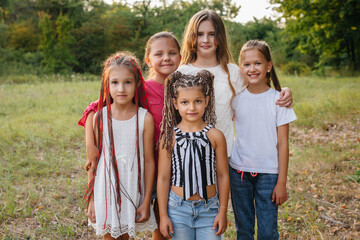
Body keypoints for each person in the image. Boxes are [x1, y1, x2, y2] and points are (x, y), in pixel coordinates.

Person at [78, 31, 181, 240]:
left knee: (166, 222)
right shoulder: (141, 89)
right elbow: (94, 108)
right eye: (115, 83)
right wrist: (90, 142)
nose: (121, 88)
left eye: (172, 53)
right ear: (148, 59)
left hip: (166, 167)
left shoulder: (184, 86)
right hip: (116, 180)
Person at [177, 9, 293, 158]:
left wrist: (285, 90)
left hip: (225, 154)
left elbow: (259, 88)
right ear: (192, 37)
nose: (205, 40)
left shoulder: (233, 73)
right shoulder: (182, 73)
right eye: (200, 34)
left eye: (212, 34)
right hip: (190, 153)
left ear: (220, 38)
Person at [84, 51, 157, 239]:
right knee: (109, 236)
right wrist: (91, 199)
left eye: (128, 82)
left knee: (125, 236)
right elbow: (95, 161)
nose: (121, 89)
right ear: (106, 85)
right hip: (106, 187)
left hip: (132, 187)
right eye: (114, 82)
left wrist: (146, 199)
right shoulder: (100, 117)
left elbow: (149, 161)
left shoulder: (144, 118)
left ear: (137, 83)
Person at [229, 40, 297, 240]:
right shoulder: (235, 98)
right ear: (240, 68)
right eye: (246, 64)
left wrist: (281, 182)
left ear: (269, 66)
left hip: (269, 175)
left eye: (257, 63)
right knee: (244, 231)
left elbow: (283, 144)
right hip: (239, 172)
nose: (252, 69)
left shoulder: (279, 100)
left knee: (267, 232)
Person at [157, 70, 229, 240]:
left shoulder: (215, 136)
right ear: (175, 104)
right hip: (178, 209)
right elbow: (163, 178)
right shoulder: (169, 137)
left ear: (207, 101)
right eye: (184, 102)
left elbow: (223, 175)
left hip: (209, 210)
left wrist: (222, 210)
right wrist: (163, 215)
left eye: (197, 101)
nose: (191, 107)